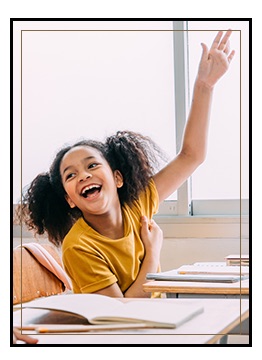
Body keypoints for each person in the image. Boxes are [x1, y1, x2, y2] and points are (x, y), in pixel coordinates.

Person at [19, 30, 235, 298]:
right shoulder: (79, 246)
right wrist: (152, 252)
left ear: (118, 178)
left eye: (92, 165)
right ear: (70, 200)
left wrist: (205, 86)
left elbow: (191, 156)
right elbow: (120, 313)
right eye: (71, 175)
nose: (84, 175)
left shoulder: (137, 206)